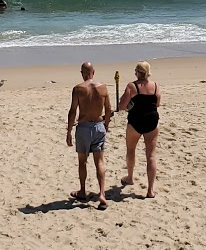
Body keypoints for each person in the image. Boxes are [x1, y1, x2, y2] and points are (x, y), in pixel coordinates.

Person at [66, 62, 113, 206]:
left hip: (84, 127)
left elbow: (73, 111)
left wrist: (68, 131)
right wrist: (106, 125)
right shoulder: (103, 87)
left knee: (82, 161)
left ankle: (82, 191)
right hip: (99, 126)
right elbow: (108, 109)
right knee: (99, 161)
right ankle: (102, 193)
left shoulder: (78, 89)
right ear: (93, 72)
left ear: (82, 73)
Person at [117, 60, 161, 198]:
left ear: (138, 72)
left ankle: (130, 177)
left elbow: (122, 106)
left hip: (136, 121)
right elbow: (158, 103)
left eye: (135, 71)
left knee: (131, 150)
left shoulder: (132, 86)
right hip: (151, 121)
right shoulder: (155, 86)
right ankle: (150, 190)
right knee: (151, 155)